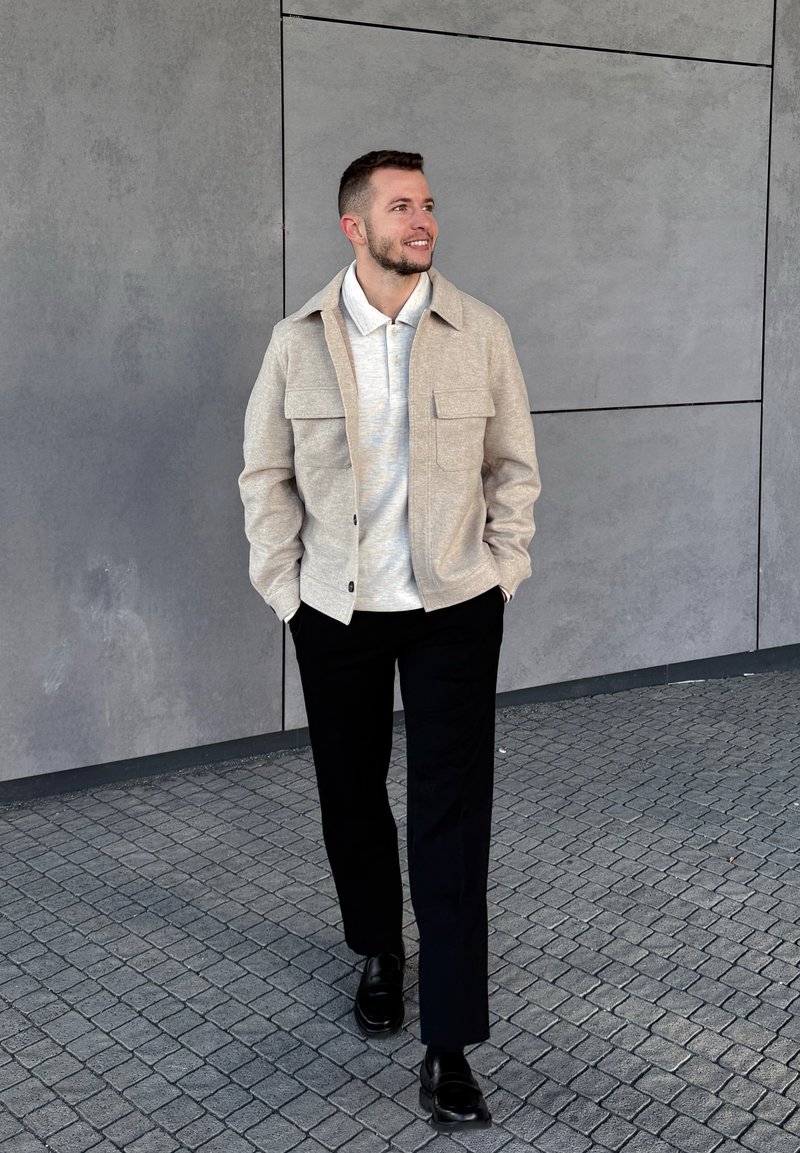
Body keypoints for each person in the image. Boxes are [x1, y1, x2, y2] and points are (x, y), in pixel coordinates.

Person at [239, 150, 540, 1131]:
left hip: (453, 603)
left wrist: (502, 566)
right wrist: (284, 587)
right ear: (352, 225)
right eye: (401, 206)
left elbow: (513, 468)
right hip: (336, 609)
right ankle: (377, 946)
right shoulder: (296, 343)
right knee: (350, 794)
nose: (422, 222)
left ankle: (447, 1045)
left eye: (427, 206)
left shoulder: (478, 331)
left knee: (450, 819)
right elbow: (264, 474)